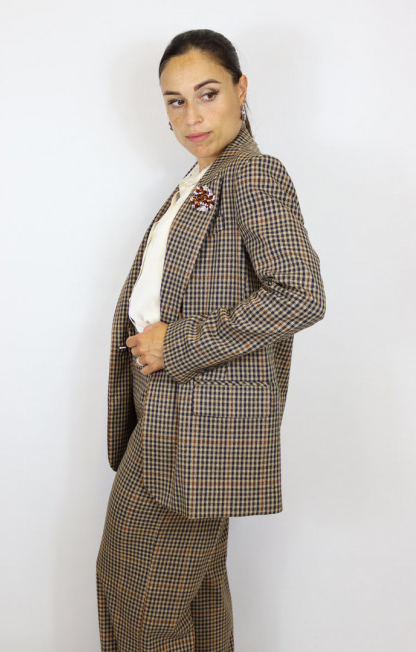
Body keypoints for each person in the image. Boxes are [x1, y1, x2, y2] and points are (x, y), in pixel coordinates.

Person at [96, 29, 326, 651]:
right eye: (175, 101)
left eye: (207, 93)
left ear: (241, 90)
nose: (191, 116)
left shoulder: (253, 174)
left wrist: (177, 345)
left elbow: (301, 294)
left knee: (142, 605)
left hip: (199, 430)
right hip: (166, 415)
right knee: (189, 599)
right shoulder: (203, 177)